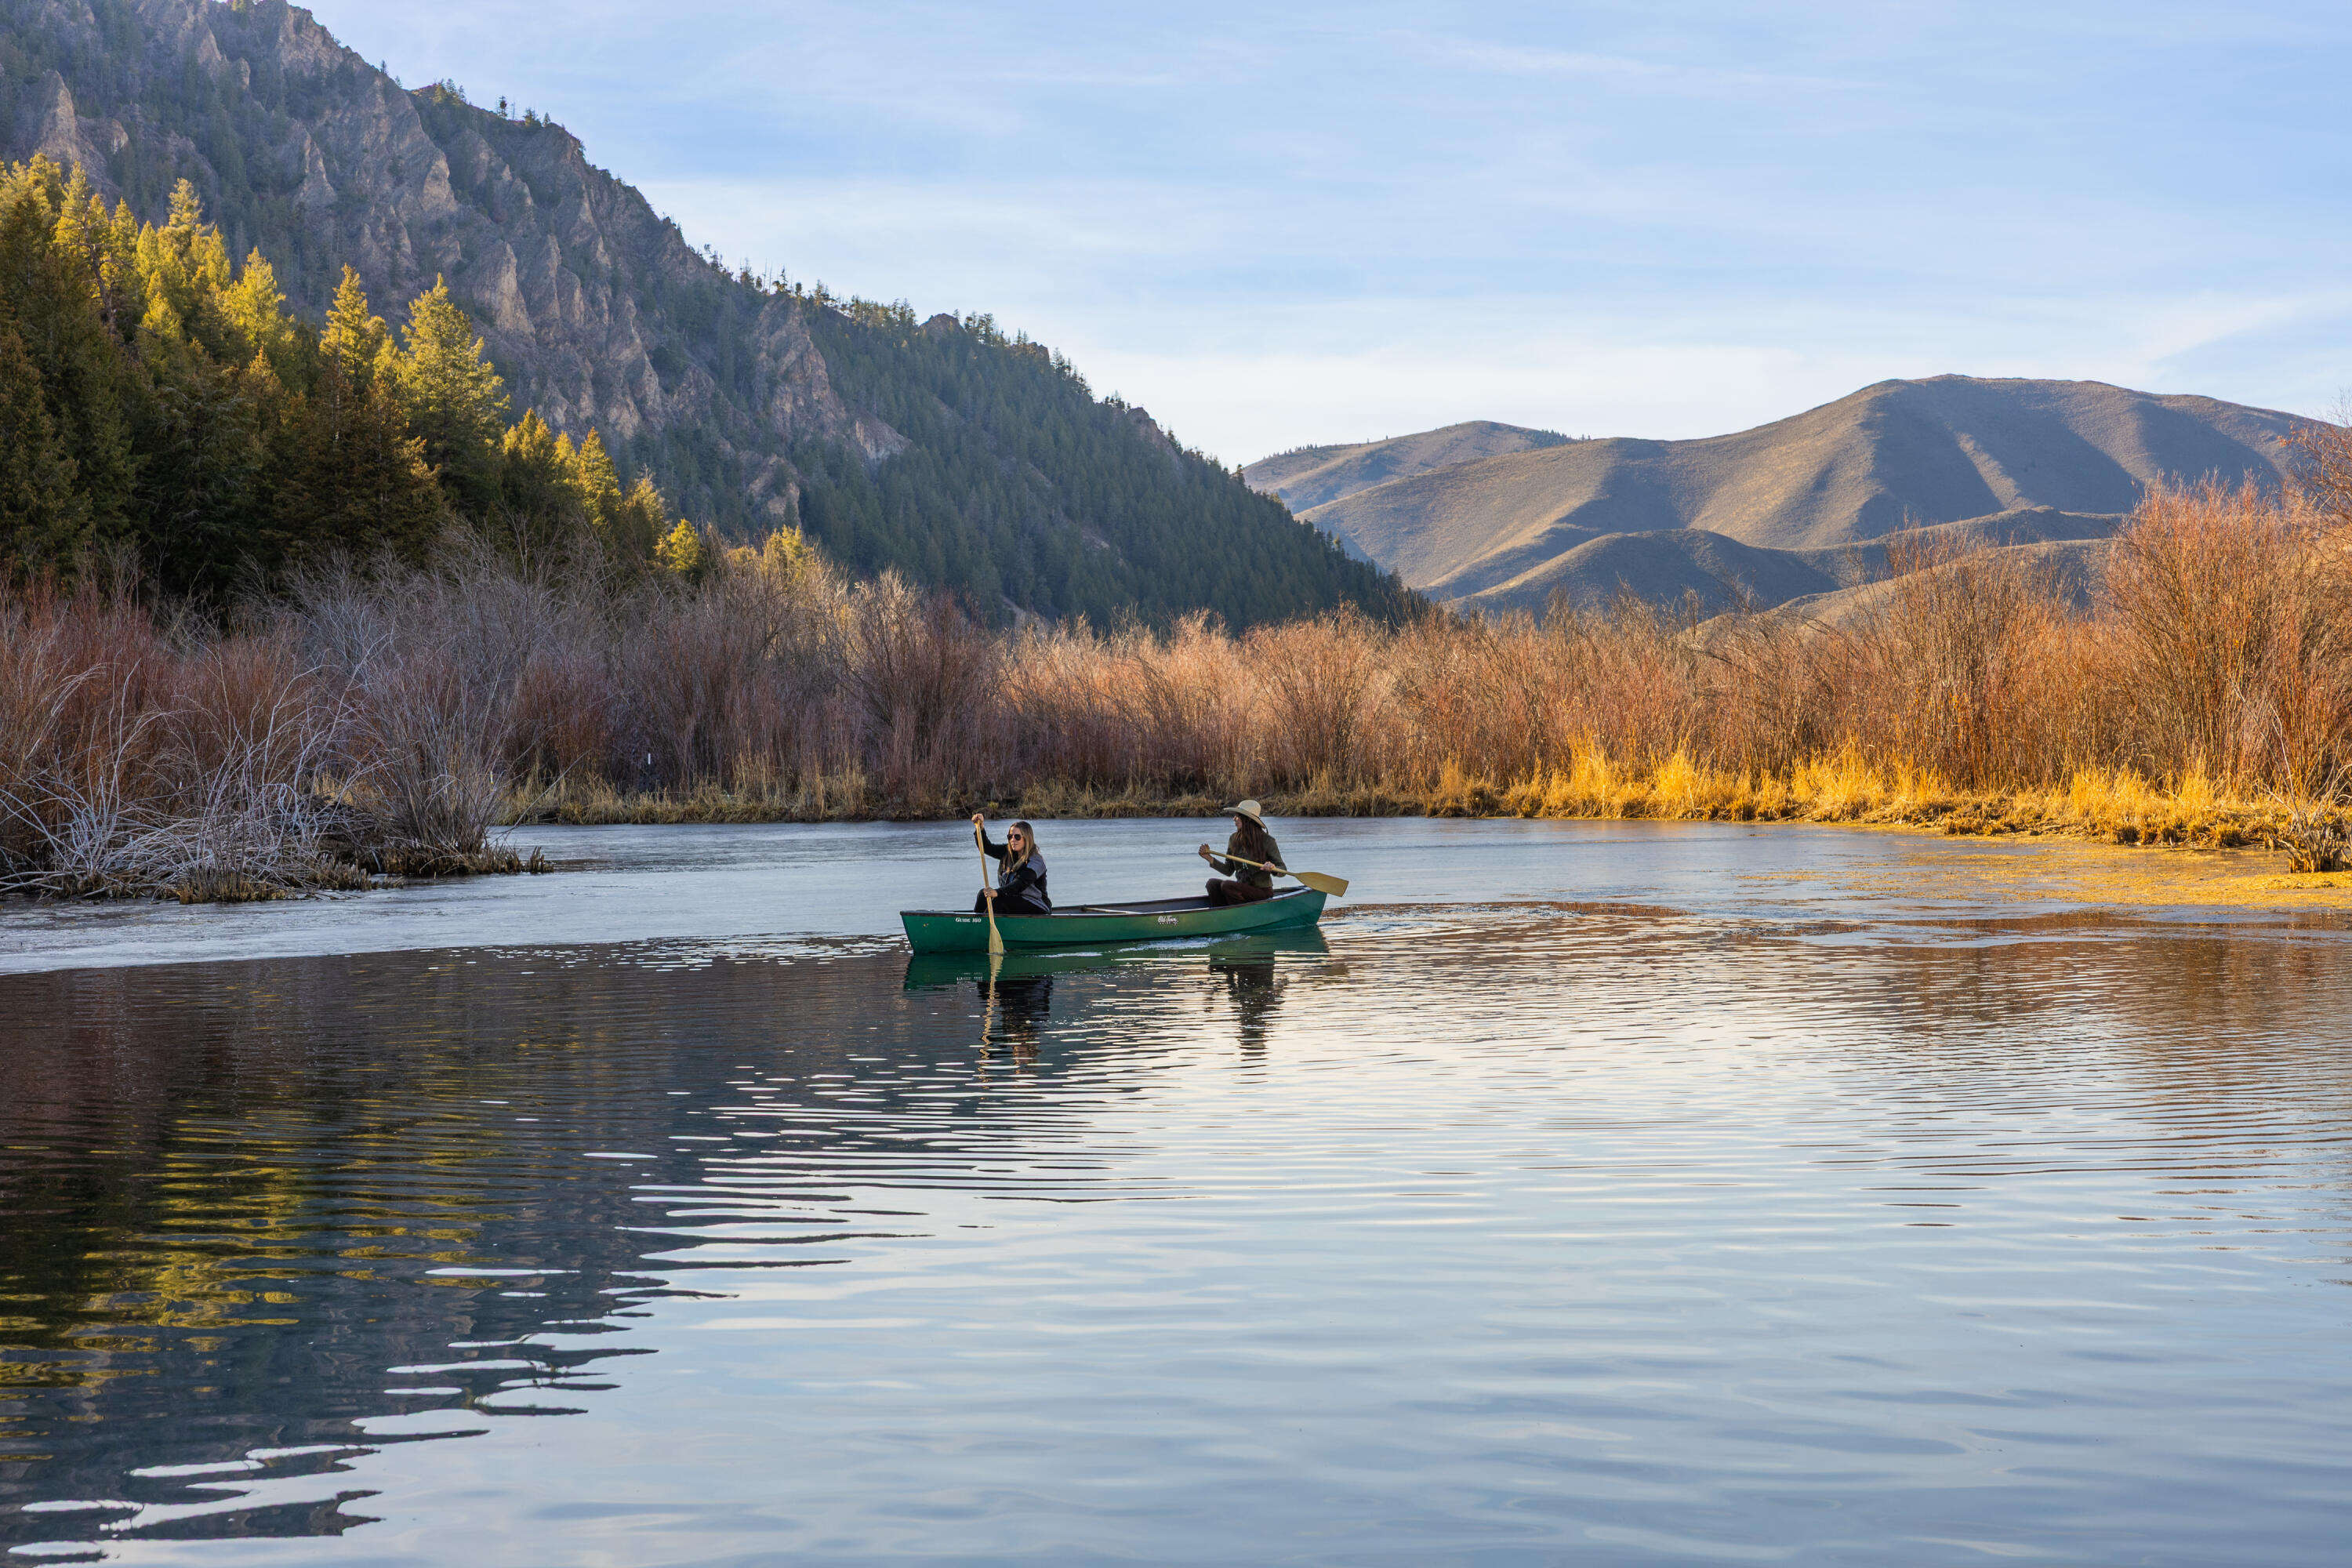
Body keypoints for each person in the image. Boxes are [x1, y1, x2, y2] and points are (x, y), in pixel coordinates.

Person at [1198, 799, 1285, 906]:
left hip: (1262, 892)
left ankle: (1238, 913)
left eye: (1238, 816)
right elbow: (1228, 870)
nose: (1234, 819)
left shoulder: (1267, 841)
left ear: (1248, 819)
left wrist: (1273, 868)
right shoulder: (1233, 839)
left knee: (1227, 886)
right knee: (1212, 884)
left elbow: (1283, 869)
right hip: (1241, 889)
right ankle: (1221, 914)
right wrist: (1209, 858)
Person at [971, 814, 1051, 916]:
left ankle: (989, 928)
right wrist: (980, 828)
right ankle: (975, 923)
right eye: (1010, 836)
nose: (1013, 840)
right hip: (1011, 899)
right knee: (983, 895)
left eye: (1017, 837)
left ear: (1026, 838)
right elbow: (986, 848)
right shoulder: (1007, 852)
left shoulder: (1036, 861)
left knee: (999, 901)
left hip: (1037, 906)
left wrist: (998, 892)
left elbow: (1020, 883)